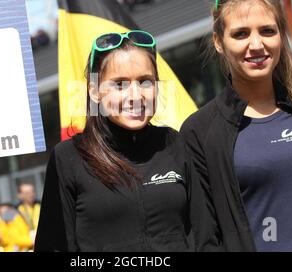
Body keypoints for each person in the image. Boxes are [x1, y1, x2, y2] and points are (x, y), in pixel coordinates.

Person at [180, 0, 292, 251]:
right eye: (241, 34)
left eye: (267, 31)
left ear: (281, 35)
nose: (256, 45)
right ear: (218, 41)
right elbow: (205, 237)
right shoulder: (200, 131)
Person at [34, 30, 221, 251]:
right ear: (95, 91)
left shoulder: (175, 143)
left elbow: (206, 237)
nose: (135, 95)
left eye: (145, 82)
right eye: (120, 84)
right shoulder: (68, 158)